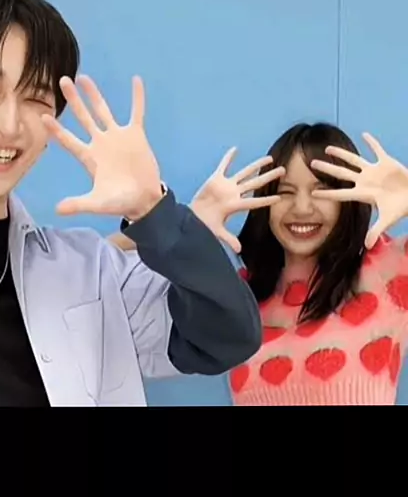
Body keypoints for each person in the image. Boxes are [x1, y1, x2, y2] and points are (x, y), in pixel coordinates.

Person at [0, 0, 272, 407]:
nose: (8, 123)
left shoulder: (92, 271)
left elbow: (229, 336)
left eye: (35, 98)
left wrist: (155, 214)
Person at [111, 122, 408, 405]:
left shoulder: (387, 271)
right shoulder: (238, 294)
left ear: (348, 196)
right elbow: (99, 273)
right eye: (285, 192)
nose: (301, 208)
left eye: (321, 191)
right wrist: (185, 223)